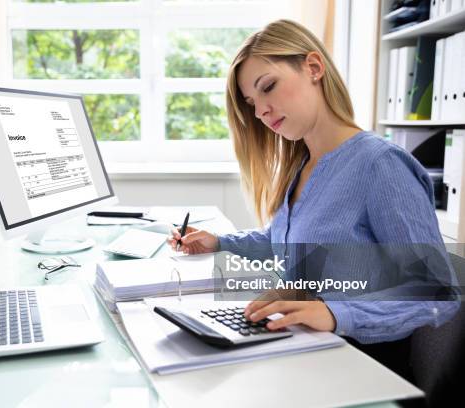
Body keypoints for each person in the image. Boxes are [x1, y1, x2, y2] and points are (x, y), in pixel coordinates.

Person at [167, 19, 459, 375]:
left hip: (356, 366)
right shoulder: (302, 164)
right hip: (298, 347)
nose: (260, 111)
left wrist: (335, 312)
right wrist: (219, 242)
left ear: (314, 68)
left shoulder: (380, 165)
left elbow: (434, 291)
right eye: (251, 103)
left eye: (268, 87)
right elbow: (286, 240)